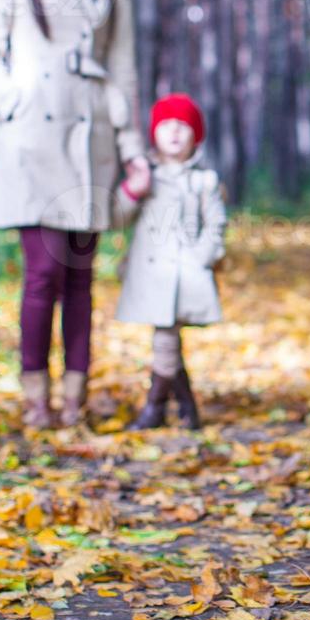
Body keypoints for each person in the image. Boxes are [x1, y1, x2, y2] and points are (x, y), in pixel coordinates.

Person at [0, 0, 147, 429]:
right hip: (31, 138)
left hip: (89, 138)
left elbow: (124, 69)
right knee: (43, 272)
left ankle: (75, 397)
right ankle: (34, 395)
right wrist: (12, 97)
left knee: (80, 278)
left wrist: (133, 149)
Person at [112, 93, 228, 431]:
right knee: (167, 339)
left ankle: (155, 408)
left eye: (183, 126)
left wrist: (203, 257)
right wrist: (134, 187)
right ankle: (187, 408)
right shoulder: (146, 175)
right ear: (154, 133)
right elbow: (117, 215)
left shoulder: (203, 181)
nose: (175, 132)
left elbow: (216, 224)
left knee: (165, 338)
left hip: (186, 272)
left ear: (196, 135)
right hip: (151, 273)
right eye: (166, 125)